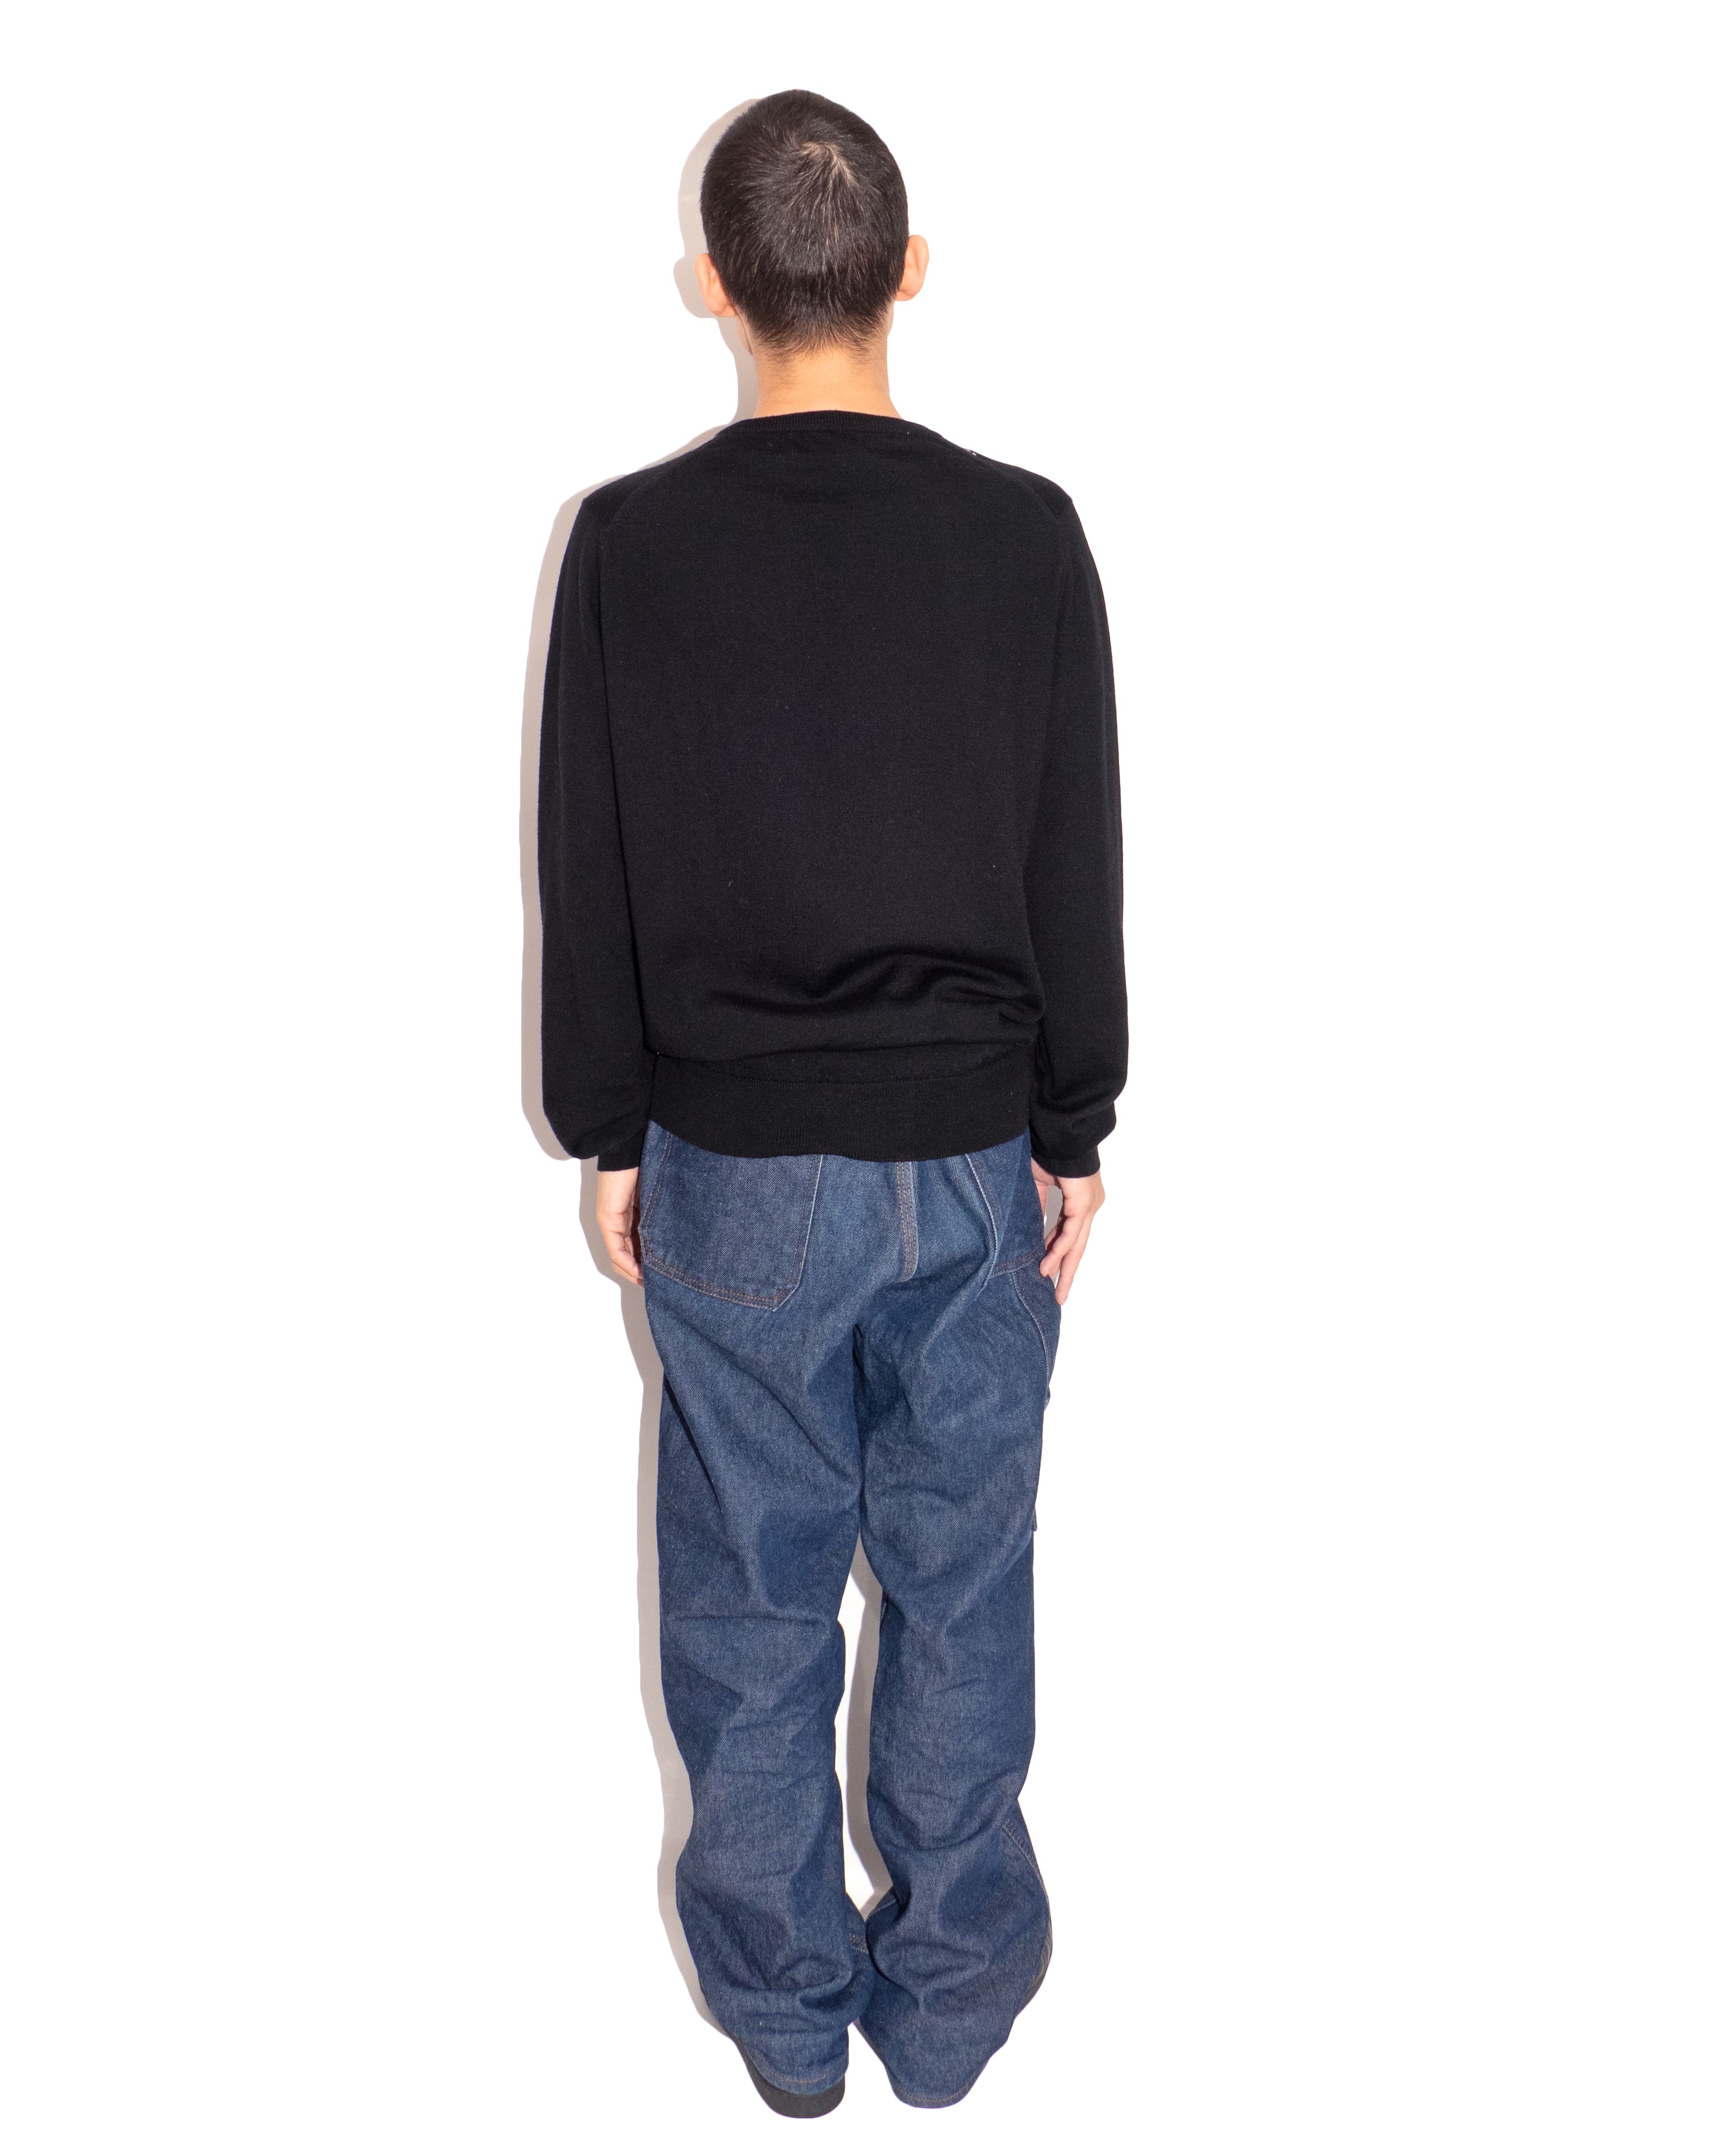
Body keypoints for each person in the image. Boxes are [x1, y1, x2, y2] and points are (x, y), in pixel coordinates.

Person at [537, 88, 1127, 2116]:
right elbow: (1074, 855)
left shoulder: (633, 546)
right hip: (970, 1156)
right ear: (911, 271)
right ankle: (948, 2008)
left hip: (732, 1166)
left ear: (716, 282)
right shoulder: (1024, 534)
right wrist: (1073, 1127)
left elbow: (589, 861)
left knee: (749, 1595)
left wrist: (612, 1128)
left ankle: (786, 2017)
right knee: (963, 1577)